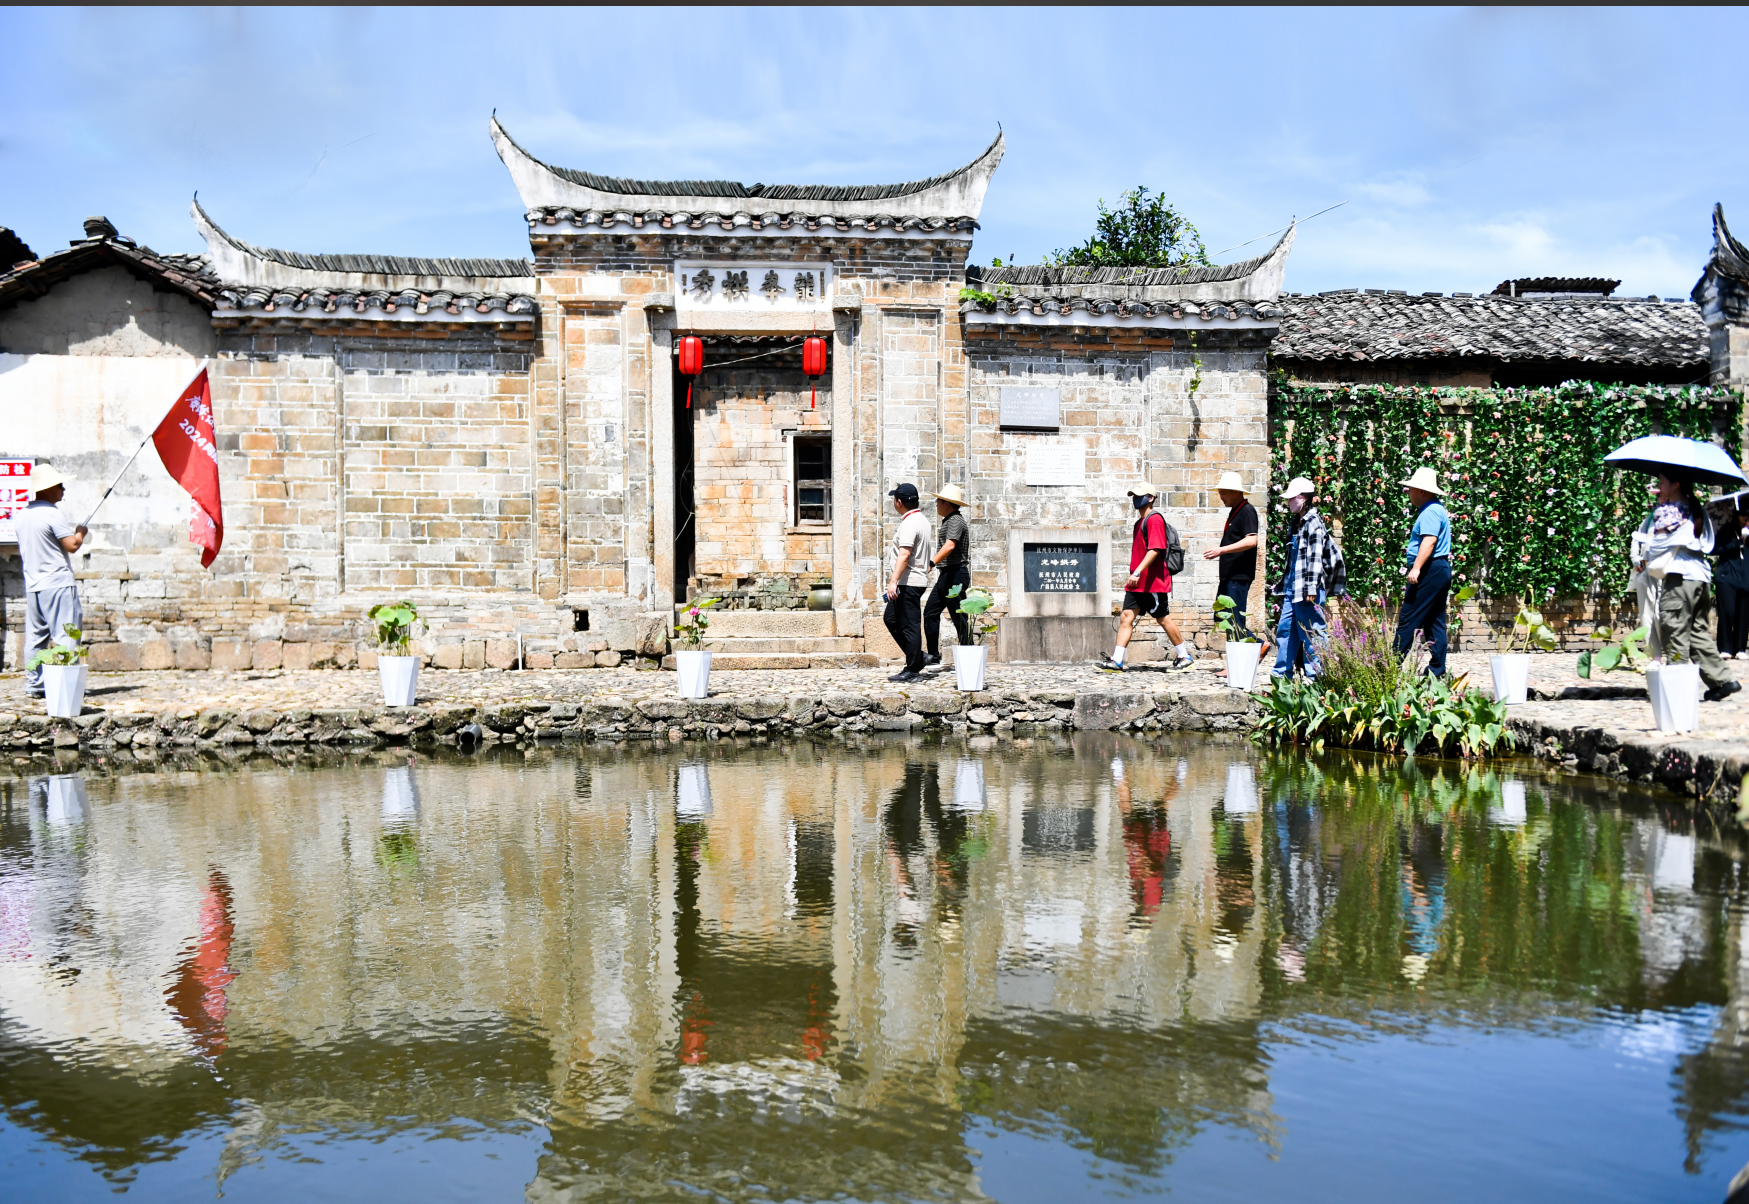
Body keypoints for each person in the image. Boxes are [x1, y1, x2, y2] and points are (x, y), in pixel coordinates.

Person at [1633, 474, 1739, 701]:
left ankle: (1676, 691)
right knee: (1697, 632)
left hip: (1679, 579)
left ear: (1676, 484)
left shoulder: (1670, 511)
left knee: (1675, 630)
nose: (1658, 487)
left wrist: (1647, 534)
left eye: (1662, 482)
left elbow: (1660, 545)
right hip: (1700, 578)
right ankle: (1722, 681)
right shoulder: (1697, 510)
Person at [1098, 486, 1194, 672]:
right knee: (1126, 617)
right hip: (1137, 583)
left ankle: (1184, 656)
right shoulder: (1139, 523)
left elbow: (1155, 549)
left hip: (1152, 582)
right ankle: (1117, 660)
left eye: (1139, 496)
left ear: (1150, 498)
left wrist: (1138, 572)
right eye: (1134, 495)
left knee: (1162, 618)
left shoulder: (1154, 520)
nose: (1135, 499)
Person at [18, 465, 87, 700]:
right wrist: (80, 533)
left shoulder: (22, 514)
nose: (63, 489)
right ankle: (66, 687)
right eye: (59, 485)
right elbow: (72, 545)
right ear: (47, 489)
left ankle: (35, 685)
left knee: (36, 638)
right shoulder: (52, 513)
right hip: (57, 583)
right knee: (67, 634)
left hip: (34, 585)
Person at [1271, 476, 1346, 678]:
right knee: (1286, 631)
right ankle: (1281, 676)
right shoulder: (1296, 523)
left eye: (1291, 498)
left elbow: (1315, 557)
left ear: (1303, 498)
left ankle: (1317, 678)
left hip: (1307, 589)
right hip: (1292, 589)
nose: (1288, 502)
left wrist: (1311, 588)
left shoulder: (1313, 523)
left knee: (1313, 634)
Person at [1393, 466, 1453, 675]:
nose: (1408, 492)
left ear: (1421, 491)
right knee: (1434, 621)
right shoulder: (1435, 509)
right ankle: (1437, 671)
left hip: (1430, 569)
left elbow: (1429, 540)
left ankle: (1389, 668)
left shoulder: (1430, 511)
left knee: (1409, 617)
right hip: (1439, 569)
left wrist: (1416, 568)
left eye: (1411, 488)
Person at [1202, 470, 1260, 642]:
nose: (1221, 497)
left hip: (1238, 576)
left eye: (1223, 493)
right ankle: (1236, 663)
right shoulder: (1236, 511)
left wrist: (1222, 550)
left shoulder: (1247, 511)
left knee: (1234, 619)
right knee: (1224, 618)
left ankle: (1256, 645)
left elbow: (1252, 541)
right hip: (1229, 576)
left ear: (1235, 492)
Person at [883, 482, 932, 683]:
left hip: (908, 582)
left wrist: (893, 582)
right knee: (891, 619)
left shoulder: (910, 523)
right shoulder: (922, 520)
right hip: (911, 580)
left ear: (899, 502)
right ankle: (919, 657)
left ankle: (913, 669)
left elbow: (904, 554)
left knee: (909, 626)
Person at [922, 484, 972, 669]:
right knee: (930, 612)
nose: (936, 504)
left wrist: (931, 563)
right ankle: (933, 656)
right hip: (947, 575)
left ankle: (968, 653)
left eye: (938, 501)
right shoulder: (949, 520)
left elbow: (950, 546)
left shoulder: (955, 521)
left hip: (955, 575)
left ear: (947, 503)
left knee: (958, 616)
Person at [1709, 496, 1749, 660]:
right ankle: (1725, 647)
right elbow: (1714, 550)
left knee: (1743, 613)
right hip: (1727, 576)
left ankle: (1740, 648)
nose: (1747, 519)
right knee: (1727, 612)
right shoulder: (1726, 529)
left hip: (1745, 577)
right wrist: (1738, 542)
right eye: (1744, 515)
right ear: (1737, 515)